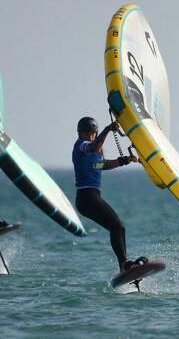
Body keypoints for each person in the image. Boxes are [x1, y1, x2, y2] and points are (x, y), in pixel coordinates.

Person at [73, 116, 144, 272]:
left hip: (92, 198)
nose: (90, 136)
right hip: (87, 198)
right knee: (117, 227)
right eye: (88, 133)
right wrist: (107, 130)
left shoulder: (95, 153)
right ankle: (124, 265)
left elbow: (102, 165)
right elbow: (92, 146)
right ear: (82, 133)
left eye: (92, 133)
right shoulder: (81, 146)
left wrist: (124, 160)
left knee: (118, 228)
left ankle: (124, 265)